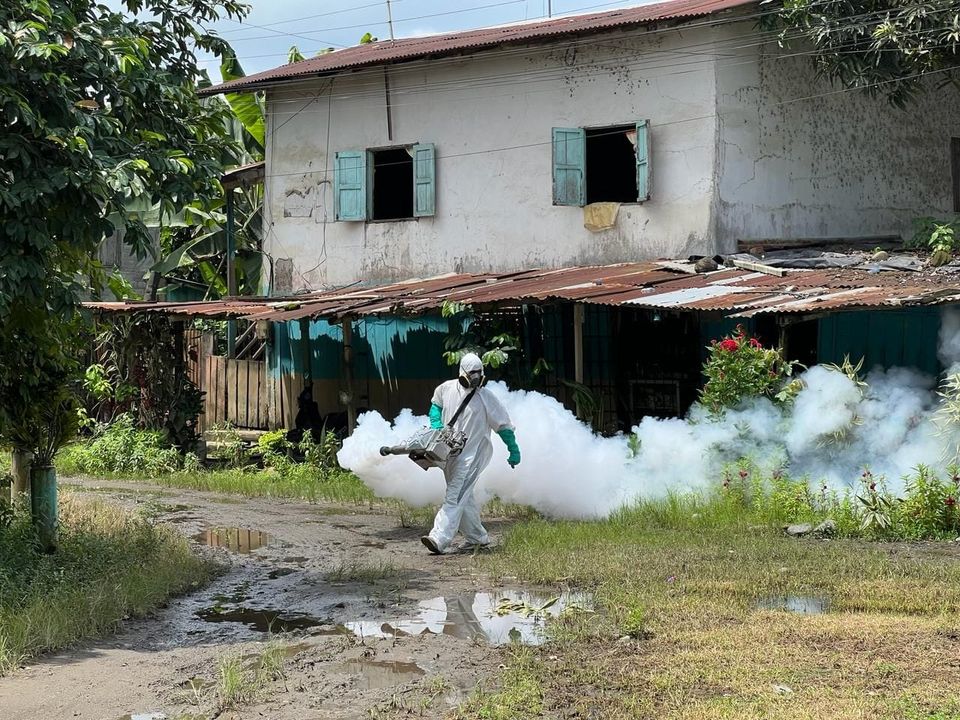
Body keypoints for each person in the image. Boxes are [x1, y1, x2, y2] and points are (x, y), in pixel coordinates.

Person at [421, 353, 521, 554]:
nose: (476, 376)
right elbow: (435, 406)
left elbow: (503, 426)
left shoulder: (486, 397)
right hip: (449, 455)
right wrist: (437, 424)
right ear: (463, 372)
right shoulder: (446, 388)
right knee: (463, 497)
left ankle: (439, 538)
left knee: (454, 496)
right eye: (472, 372)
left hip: (472, 457)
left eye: (479, 372)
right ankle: (478, 538)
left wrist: (513, 449)